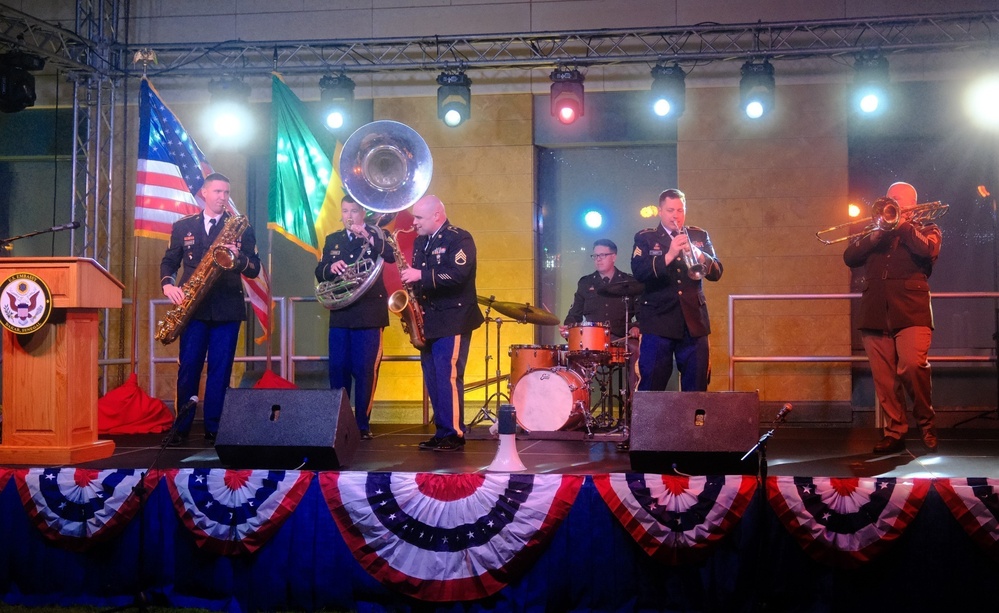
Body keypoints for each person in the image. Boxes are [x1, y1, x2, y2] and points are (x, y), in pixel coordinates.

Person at [160, 172, 260, 445]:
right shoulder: (183, 226)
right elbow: (169, 262)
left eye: (226, 193)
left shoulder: (240, 228)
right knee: (189, 366)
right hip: (193, 309)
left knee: (221, 369)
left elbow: (254, 268)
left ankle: (215, 427)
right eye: (217, 192)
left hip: (227, 307)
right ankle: (181, 427)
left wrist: (238, 257)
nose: (222, 197)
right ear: (204, 193)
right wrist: (168, 285)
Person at [843, 182, 941, 454]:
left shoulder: (927, 229)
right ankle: (895, 431)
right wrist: (875, 235)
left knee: (912, 366)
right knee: (884, 381)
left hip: (912, 311)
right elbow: (849, 256)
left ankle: (925, 421)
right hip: (875, 311)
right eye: (890, 199)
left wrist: (903, 225)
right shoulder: (875, 232)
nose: (892, 203)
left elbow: (928, 252)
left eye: (898, 200)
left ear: (913, 204)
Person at [399, 194, 484, 451]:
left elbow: (458, 274)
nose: (414, 222)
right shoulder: (420, 242)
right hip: (430, 319)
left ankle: (454, 433)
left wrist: (420, 275)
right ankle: (442, 430)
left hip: (453, 318)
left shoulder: (459, 238)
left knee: (448, 376)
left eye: (419, 217)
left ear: (437, 215)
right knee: (433, 377)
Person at [315, 194, 396, 440]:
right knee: (338, 368)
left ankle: (362, 423)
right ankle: (339, 422)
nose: (350, 216)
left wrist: (368, 236)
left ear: (363, 214)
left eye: (354, 211)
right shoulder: (333, 240)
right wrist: (331, 268)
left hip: (370, 314)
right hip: (341, 312)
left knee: (364, 370)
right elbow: (320, 272)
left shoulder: (379, 235)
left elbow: (390, 255)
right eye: (346, 211)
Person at [631, 188, 722, 392]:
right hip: (658, 320)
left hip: (693, 322)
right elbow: (639, 271)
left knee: (696, 386)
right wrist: (670, 253)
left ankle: (694, 425)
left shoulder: (699, 235)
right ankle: (651, 425)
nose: (675, 216)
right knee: (652, 384)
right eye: (670, 210)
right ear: (661, 211)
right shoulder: (646, 238)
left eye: (680, 210)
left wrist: (698, 254)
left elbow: (717, 272)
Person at [561, 238, 640, 389]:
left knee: (637, 349)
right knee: (573, 352)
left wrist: (636, 326)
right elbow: (575, 313)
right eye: (595, 256)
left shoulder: (629, 282)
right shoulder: (586, 283)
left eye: (602, 255)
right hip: (592, 338)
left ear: (614, 257)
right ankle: (578, 401)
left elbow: (641, 312)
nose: (598, 259)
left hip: (620, 335)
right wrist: (568, 328)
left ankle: (634, 402)